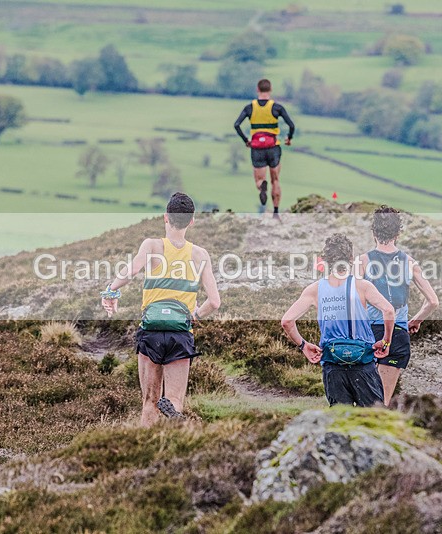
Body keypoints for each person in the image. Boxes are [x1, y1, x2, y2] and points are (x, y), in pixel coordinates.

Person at [101, 192, 221, 426]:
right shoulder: (200, 255)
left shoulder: (152, 246)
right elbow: (215, 302)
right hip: (181, 332)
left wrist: (111, 291)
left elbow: (132, 271)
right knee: (175, 400)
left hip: (151, 331)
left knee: (149, 401)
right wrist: (194, 316)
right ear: (191, 221)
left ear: (166, 217)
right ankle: (172, 430)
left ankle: (147, 452)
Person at [281, 233, 395, 407]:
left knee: (340, 423)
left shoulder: (314, 289)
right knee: (375, 421)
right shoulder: (362, 286)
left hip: (333, 366)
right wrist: (386, 342)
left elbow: (287, 321)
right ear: (350, 258)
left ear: (325, 260)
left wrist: (304, 346)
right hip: (363, 364)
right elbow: (388, 311)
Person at [355, 206, 439, 405]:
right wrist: (414, 321)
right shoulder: (409, 262)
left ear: (374, 232)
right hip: (398, 335)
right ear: (398, 233)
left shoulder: (362, 261)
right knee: (382, 403)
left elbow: (354, 300)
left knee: (362, 401)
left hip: (369, 334)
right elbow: (433, 301)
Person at [233, 78, 296, 220]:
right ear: (270, 90)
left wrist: (246, 141)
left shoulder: (250, 107)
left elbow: (236, 125)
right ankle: (275, 212)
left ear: (257, 90)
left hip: (257, 149)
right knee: (276, 180)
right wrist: (289, 138)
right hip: (273, 148)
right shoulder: (277, 107)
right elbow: (291, 125)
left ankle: (262, 186)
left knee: (259, 180)